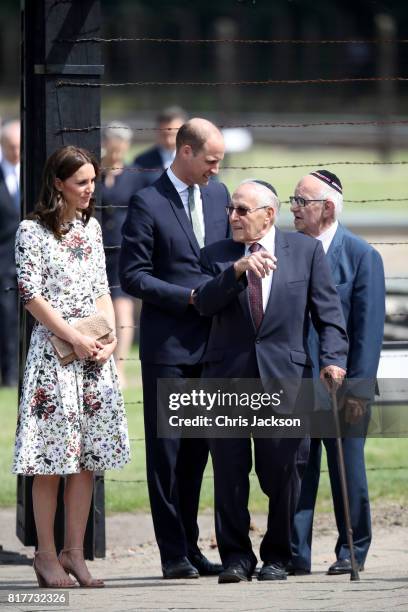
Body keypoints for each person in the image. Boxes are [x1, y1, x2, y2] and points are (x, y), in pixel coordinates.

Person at [193, 179, 348, 583]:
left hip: (286, 378)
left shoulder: (306, 251)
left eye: (242, 210)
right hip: (227, 379)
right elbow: (203, 303)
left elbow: (328, 315)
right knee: (228, 473)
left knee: (283, 471)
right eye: (231, 209)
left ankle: (278, 555)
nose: (233, 217)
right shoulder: (216, 255)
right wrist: (237, 271)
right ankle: (236, 558)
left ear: (269, 214)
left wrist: (333, 361)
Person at [13, 146, 130, 588]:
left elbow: (102, 286)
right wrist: (74, 337)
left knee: (86, 459)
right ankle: (44, 555)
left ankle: (74, 554)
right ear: (58, 183)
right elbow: (31, 296)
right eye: (81, 182)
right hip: (53, 359)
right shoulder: (31, 231)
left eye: (93, 182)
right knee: (50, 458)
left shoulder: (92, 228)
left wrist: (111, 337)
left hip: (93, 359)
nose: (89, 190)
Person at [120, 118, 229, 579]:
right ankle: (172, 553)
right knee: (167, 454)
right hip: (168, 347)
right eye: (210, 160)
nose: (216, 169)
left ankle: (191, 544)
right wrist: (185, 297)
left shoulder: (220, 196)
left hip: (214, 346)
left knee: (197, 453)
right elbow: (133, 275)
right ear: (185, 152)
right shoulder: (148, 202)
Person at [289, 170, 385, 575]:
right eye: (291, 200)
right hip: (296, 383)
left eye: (300, 201)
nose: (292, 209)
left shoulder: (361, 256)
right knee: (296, 470)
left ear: (326, 208)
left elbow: (367, 331)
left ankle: (351, 549)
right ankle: (295, 553)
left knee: (348, 468)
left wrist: (357, 389)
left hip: (343, 387)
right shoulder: (288, 250)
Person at [101, 122, 142, 387]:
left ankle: (120, 367)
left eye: (121, 147)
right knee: (101, 307)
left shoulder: (134, 175)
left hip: (122, 247)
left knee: (122, 306)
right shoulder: (94, 172)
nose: (117, 152)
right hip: (97, 246)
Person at [0, 120, 20, 386]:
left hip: (29, 261)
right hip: (2, 261)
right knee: (5, 319)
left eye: (19, 146)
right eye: (11, 147)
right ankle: (8, 376)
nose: (17, 152)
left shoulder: (35, 173)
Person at [133, 106, 188, 188]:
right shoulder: (141, 162)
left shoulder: (196, 159)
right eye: (164, 135)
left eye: (173, 135)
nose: (169, 140)